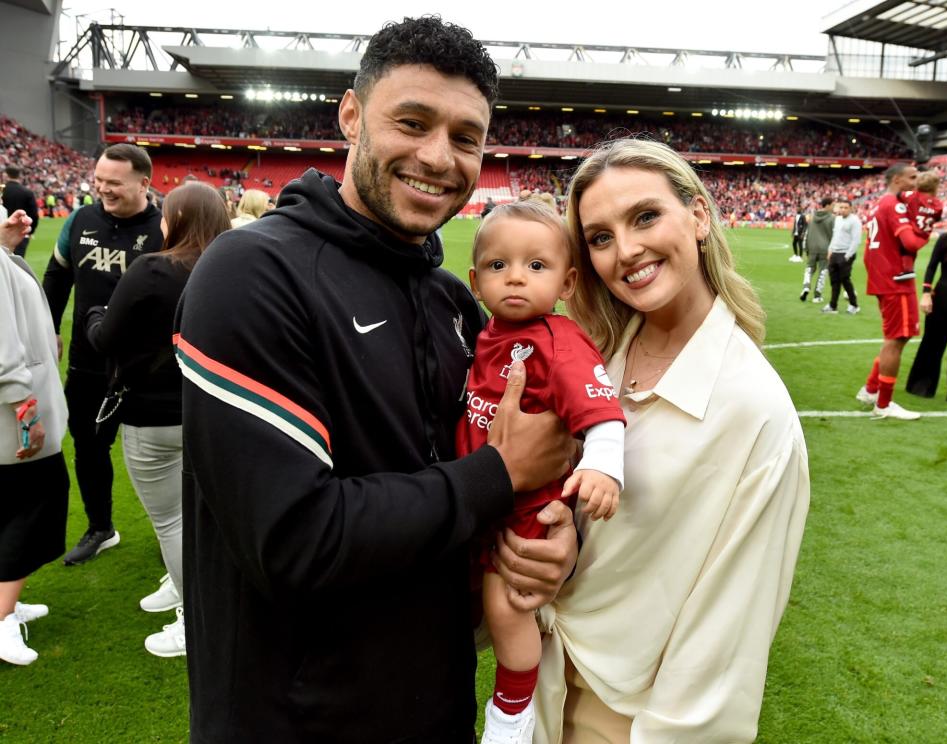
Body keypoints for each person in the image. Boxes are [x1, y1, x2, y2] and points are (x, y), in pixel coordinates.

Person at [173, 17, 578, 743]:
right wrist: (498, 475)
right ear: (352, 115)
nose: (438, 156)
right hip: (292, 721)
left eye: (465, 137)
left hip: (436, 703)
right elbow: (295, 539)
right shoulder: (252, 274)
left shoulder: (453, 300)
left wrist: (548, 535)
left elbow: (476, 479)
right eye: (413, 121)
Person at [529, 139, 809, 744]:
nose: (626, 251)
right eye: (600, 238)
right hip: (543, 681)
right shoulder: (594, 357)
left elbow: (726, 636)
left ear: (700, 216)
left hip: (630, 719)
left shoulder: (754, 410)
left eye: (645, 216)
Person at [459, 201, 626, 744]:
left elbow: (599, 408)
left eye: (536, 266)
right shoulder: (485, 334)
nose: (514, 278)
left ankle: (511, 715)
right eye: (498, 265)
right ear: (474, 277)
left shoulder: (558, 340)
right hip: (478, 496)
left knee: (505, 610)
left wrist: (603, 465)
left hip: (526, 507)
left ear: (567, 281)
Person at [84, 182, 231, 657]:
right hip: (212, 412)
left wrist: (91, 315)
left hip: (154, 415)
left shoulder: (152, 269)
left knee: (171, 519)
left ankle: (194, 619)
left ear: (179, 218)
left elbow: (105, 337)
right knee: (193, 514)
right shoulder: (233, 267)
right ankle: (180, 584)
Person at [42, 143, 164, 565]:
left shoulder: (167, 226)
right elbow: (57, 278)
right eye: (98, 181)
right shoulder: (79, 220)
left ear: (143, 183)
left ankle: (175, 532)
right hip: (88, 364)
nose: (103, 190)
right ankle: (100, 527)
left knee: (166, 453)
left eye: (114, 183)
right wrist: (49, 329)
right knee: (90, 450)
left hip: (150, 370)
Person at [0, 210, 69, 666]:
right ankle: (1, 619)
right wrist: (26, 412)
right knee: (33, 508)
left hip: (11, 410)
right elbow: (3, 350)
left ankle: (6, 602)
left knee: (12, 507)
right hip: (12, 415)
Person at [855, 163, 928, 420]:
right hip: (896, 280)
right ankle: (883, 404)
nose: (916, 181)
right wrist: (926, 232)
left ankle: (871, 389)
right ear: (897, 179)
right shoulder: (893, 205)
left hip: (885, 279)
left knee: (899, 337)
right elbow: (910, 242)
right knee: (897, 339)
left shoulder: (879, 204)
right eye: (912, 177)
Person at [906, 217, 947, 404]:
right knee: (933, 342)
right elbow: (931, 267)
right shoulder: (946, 239)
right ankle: (920, 386)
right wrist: (926, 294)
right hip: (943, 294)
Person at [894, 171, 943, 282]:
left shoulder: (913, 196)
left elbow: (898, 196)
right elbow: (938, 217)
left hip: (912, 232)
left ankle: (907, 270)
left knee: (904, 247)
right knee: (911, 251)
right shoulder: (938, 204)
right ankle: (909, 269)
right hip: (924, 237)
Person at [822, 199, 862, 315]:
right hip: (835, 252)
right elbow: (835, 236)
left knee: (845, 279)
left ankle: (854, 305)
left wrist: (848, 255)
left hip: (845, 253)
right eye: (841, 207)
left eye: (846, 207)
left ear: (851, 209)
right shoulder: (838, 220)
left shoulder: (855, 221)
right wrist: (830, 250)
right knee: (834, 281)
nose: (843, 210)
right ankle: (832, 305)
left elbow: (856, 240)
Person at [799, 196, 834, 302]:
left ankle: (806, 287)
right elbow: (834, 235)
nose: (833, 207)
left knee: (809, 268)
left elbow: (806, 233)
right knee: (823, 271)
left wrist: (806, 248)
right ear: (827, 205)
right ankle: (817, 295)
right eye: (833, 205)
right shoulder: (832, 218)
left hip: (812, 247)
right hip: (825, 248)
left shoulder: (812, 217)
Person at [1, 166, 39, 258]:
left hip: (2, 230)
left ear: (6, 175)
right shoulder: (27, 192)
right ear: (19, 176)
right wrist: (30, 231)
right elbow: (34, 214)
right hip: (21, 231)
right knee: (17, 261)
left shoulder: (3, 191)